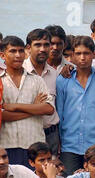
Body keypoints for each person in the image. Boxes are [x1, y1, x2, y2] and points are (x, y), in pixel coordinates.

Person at [0, 36, 55, 168]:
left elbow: (48, 109)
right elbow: (2, 115)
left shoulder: (36, 80)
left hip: (34, 146)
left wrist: (14, 107)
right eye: (12, 51)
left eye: (20, 51)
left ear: (26, 53)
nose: (18, 55)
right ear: (2, 55)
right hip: (6, 145)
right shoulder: (0, 81)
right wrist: (34, 108)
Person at [56, 36, 95, 175]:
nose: (82, 57)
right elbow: (60, 112)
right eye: (78, 53)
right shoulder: (63, 80)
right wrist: (59, 141)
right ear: (72, 56)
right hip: (69, 144)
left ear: (94, 55)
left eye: (86, 53)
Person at [23, 29, 60, 157]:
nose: (43, 49)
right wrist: (36, 107)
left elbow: (55, 108)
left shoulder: (55, 74)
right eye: (38, 45)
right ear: (28, 48)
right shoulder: (20, 72)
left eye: (46, 45)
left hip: (51, 135)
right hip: (27, 132)